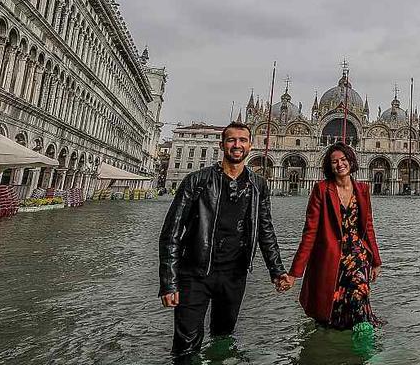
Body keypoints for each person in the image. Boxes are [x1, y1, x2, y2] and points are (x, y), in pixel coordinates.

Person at [158, 121, 291, 360]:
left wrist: (277, 270)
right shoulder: (197, 181)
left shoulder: (258, 185)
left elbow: (265, 230)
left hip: (234, 275)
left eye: (242, 140)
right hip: (195, 273)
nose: (237, 145)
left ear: (251, 145)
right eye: (231, 140)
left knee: (223, 337)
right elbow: (171, 232)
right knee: (186, 346)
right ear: (222, 145)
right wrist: (169, 281)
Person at [290, 142, 383, 335]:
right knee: (334, 308)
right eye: (334, 161)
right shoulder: (321, 189)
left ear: (351, 161)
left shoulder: (363, 190)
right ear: (328, 166)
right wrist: (294, 272)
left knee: (360, 297)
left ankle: (367, 351)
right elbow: (310, 233)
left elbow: (368, 227)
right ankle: (337, 349)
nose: (340, 164)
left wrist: (376, 260)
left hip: (358, 255)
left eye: (343, 160)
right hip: (332, 256)